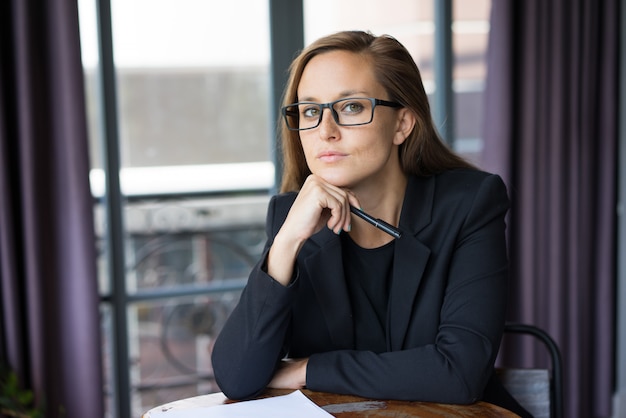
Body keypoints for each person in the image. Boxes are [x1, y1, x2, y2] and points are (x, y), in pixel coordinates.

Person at [211, 30, 530, 417]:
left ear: (402, 124)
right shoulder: (291, 218)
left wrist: (306, 369)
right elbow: (238, 377)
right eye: (311, 111)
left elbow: (457, 373)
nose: (326, 130)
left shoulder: (468, 204)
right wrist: (286, 244)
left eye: (350, 107)